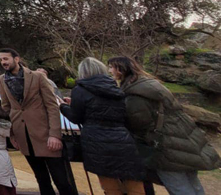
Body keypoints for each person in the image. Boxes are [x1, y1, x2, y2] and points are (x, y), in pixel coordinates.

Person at [109, 56, 221, 195]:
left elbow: (139, 123)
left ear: (120, 70)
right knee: (193, 184)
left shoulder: (135, 93)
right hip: (184, 139)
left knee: (178, 187)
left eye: (111, 67)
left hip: (166, 146)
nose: (110, 70)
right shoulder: (148, 83)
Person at [59, 57, 145, 195]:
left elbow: (76, 117)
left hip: (96, 141)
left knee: (110, 186)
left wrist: (63, 107)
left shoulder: (80, 90)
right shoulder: (115, 87)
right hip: (122, 139)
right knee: (133, 181)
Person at [0, 48, 77, 195]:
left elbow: (52, 106)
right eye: (1, 60)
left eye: (6, 59)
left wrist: (55, 134)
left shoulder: (37, 77)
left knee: (61, 180)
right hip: (24, 137)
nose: (3, 62)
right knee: (41, 179)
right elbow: (6, 108)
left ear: (16, 59)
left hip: (45, 135)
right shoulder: (2, 80)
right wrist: (12, 135)